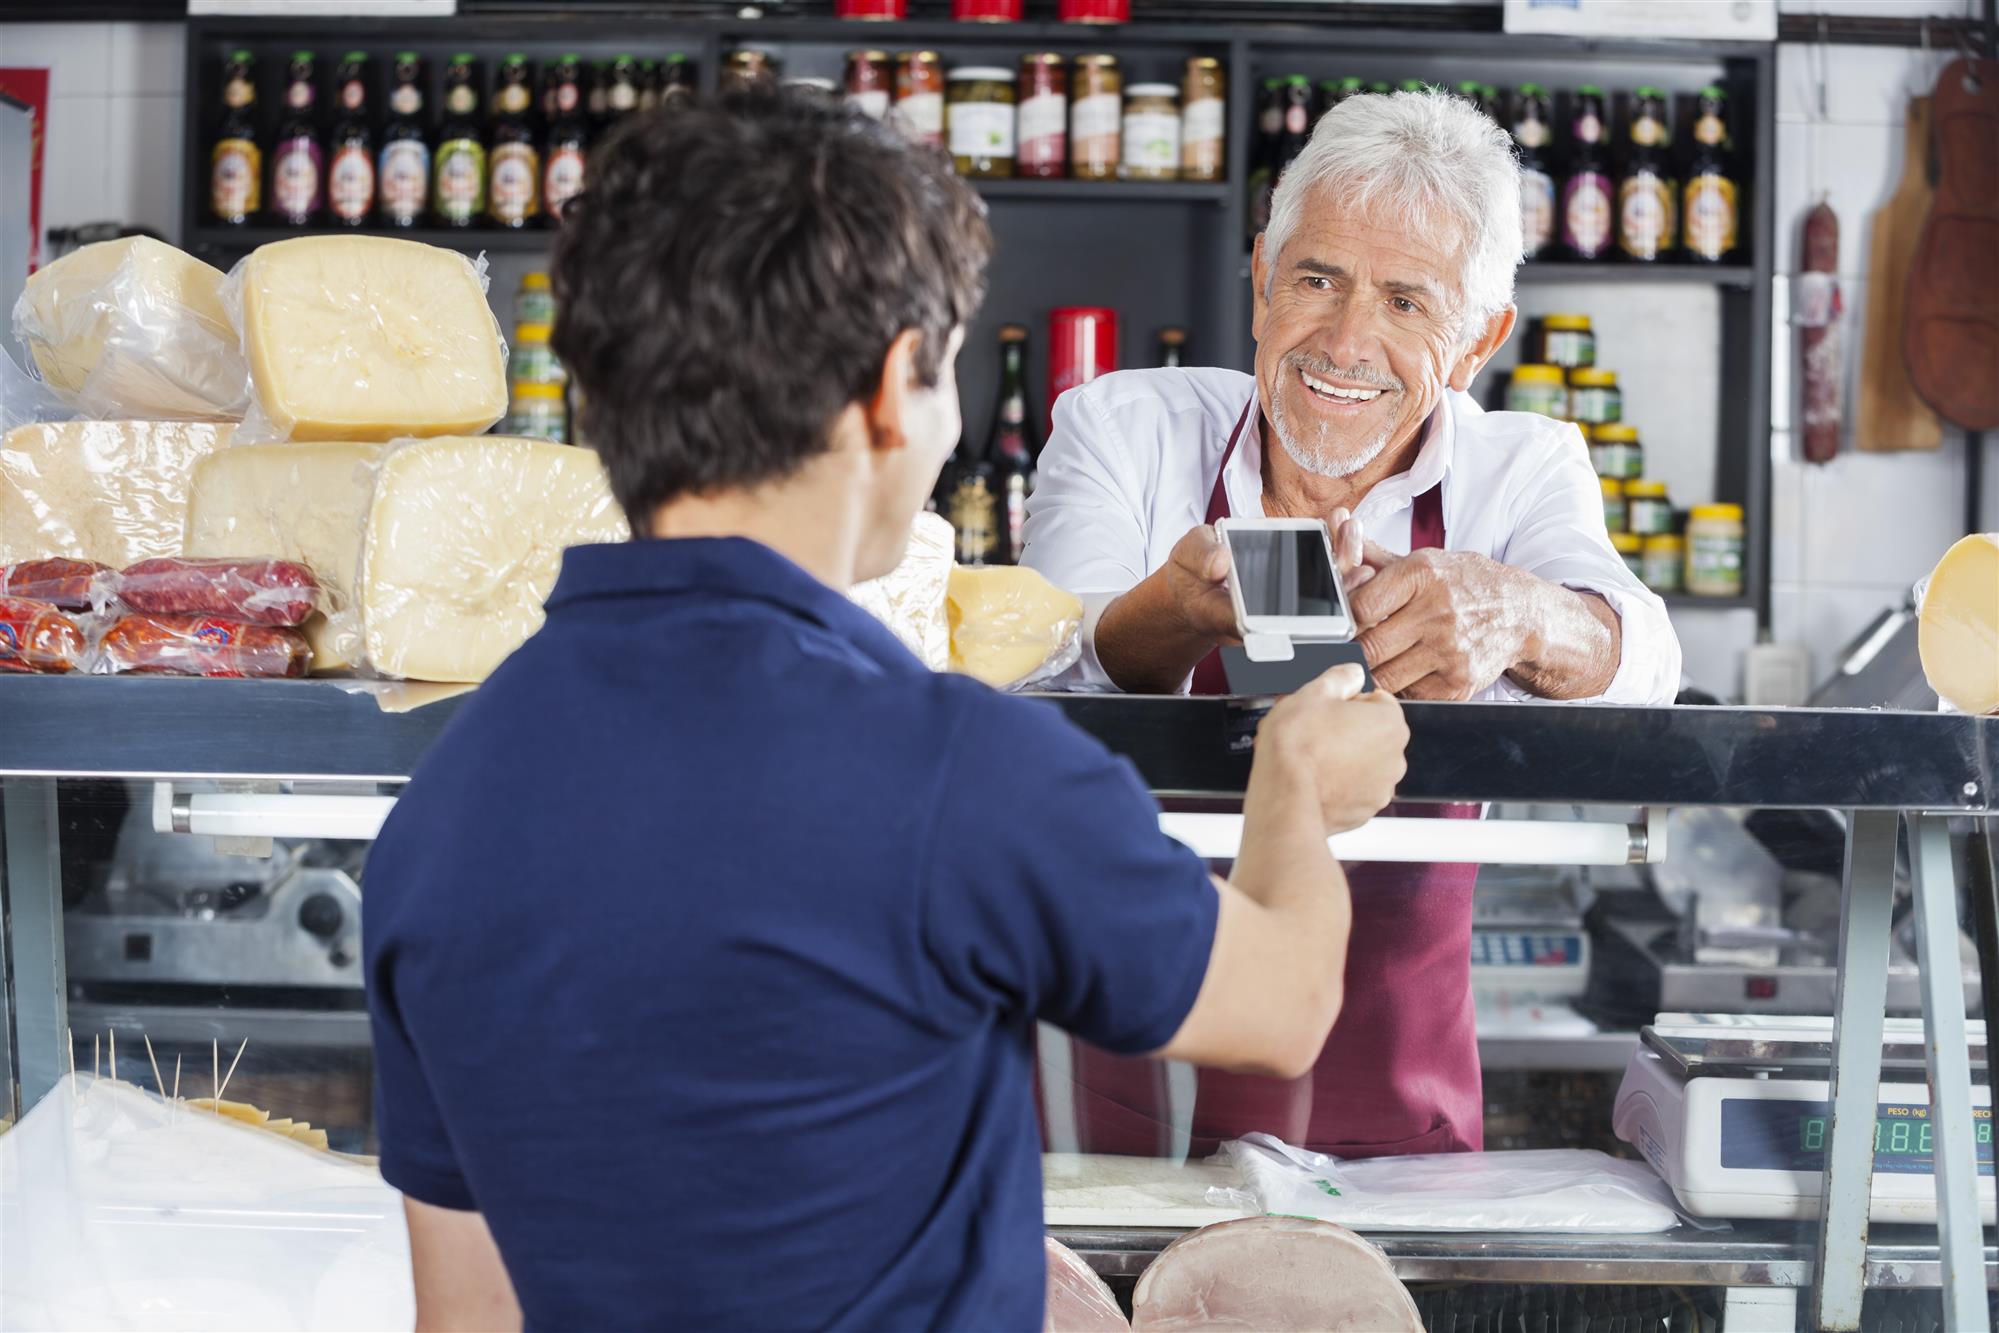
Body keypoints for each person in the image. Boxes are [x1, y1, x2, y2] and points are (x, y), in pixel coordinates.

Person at [362, 90, 1409, 1331]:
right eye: (950, 364)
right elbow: (1282, 1008)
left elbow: (467, 1313)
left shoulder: (441, 814)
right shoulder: (962, 767)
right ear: (883, 390)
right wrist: (1296, 786)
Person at [1023, 91, 1682, 1160]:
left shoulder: (1522, 470)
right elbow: (1042, 667)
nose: (1345, 341)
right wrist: (1175, 614)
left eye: (1408, 304)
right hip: (1118, 1101)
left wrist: (1521, 614)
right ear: (1258, 280)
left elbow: (1644, 666)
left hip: (1392, 1122)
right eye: (1316, 278)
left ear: (1478, 340)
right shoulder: (1125, 429)